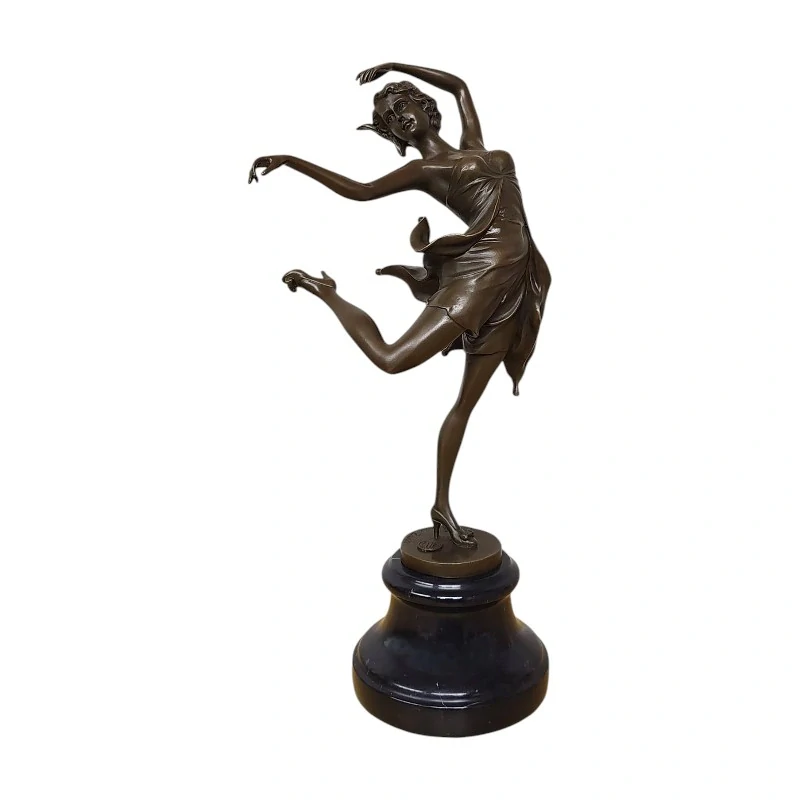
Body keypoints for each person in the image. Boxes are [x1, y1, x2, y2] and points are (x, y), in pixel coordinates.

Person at [249, 63, 551, 548]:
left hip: (514, 282)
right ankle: (327, 291)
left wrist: (394, 65)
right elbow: (361, 191)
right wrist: (293, 161)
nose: (397, 117)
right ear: (394, 135)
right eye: (389, 119)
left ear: (424, 106)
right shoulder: (421, 171)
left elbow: (460, 86)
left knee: (464, 406)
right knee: (391, 359)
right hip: (477, 278)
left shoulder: (474, 145)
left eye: (401, 105)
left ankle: (441, 505)